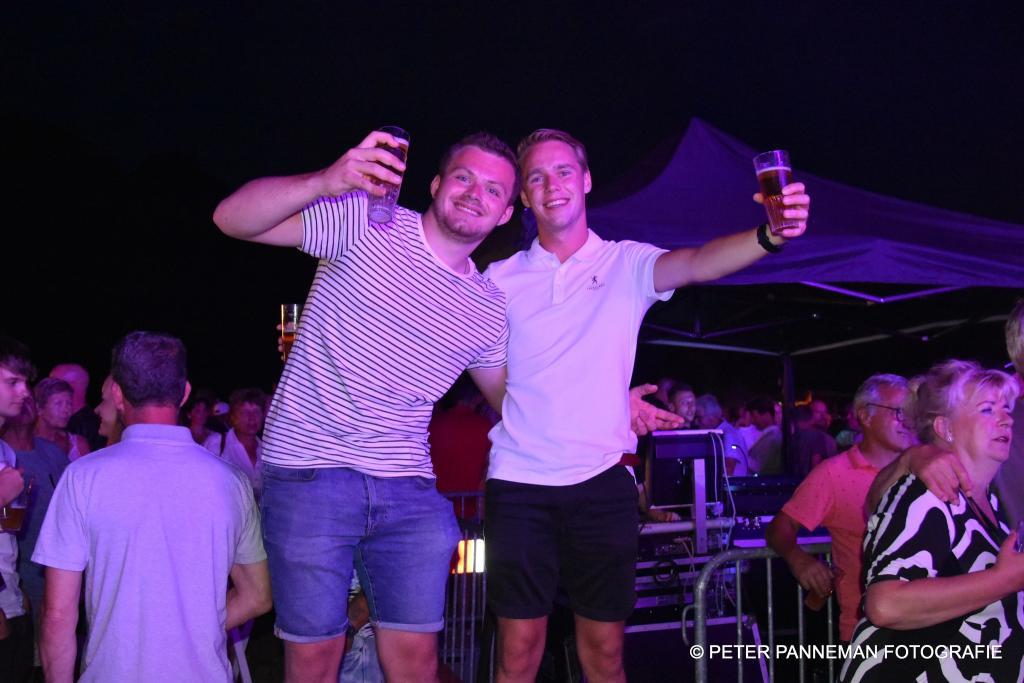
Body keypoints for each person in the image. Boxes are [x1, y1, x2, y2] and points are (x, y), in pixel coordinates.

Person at [482, 128, 808, 683]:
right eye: (536, 177)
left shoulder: (624, 263)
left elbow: (698, 262)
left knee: (605, 653)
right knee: (517, 654)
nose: (552, 185)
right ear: (525, 198)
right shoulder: (499, 279)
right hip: (520, 485)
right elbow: (495, 376)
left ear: (586, 181)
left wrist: (769, 236)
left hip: (601, 484)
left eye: (563, 171)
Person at [213, 129, 520, 683]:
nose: (476, 193)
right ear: (436, 184)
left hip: (408, 488)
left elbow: (515, 403)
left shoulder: (488, 306)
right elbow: (231, 219)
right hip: (311, 471)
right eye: (464, 177)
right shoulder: (366, 221)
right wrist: (324, 180)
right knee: (314, 657)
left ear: (505, 215)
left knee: (417, 663)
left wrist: (612, 408)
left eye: (494, 190)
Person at [32, 332, 271, 682]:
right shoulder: (230, 481)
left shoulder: (82, 478)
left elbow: (57, 614)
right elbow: (258, 596)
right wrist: (190, 629)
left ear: (117, 394)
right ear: (184, 393)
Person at [839, 360, 1024, 681]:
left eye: (1006, 409)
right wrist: (1004, 579)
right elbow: (886, 604)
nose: (1006, 418)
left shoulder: (988, 501)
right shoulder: (930, 493)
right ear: (945, 428)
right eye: (987, 410)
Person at [766, 374, 914, 642]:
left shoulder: (924, 466)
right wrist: (799, 560)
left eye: (912, 412)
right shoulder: (834, 474)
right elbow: (780, 527)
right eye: (899, 412)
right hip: (870, 634)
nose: (908, 421)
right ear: (865, 416)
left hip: (933, 624)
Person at [0, 337, 31, 679]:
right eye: (13, 382)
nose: (24, 392)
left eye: (25, 382)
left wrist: (14, 589)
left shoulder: (5, 451)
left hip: (9, 593)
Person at [203, 388, 266, 499]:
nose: (251, 418)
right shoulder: (217, 444)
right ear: (232, 417)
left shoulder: (268, 450)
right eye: (244, 412)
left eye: (256, 411)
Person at [49, 364, 105, 452]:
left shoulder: (87, 429)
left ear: (70, 387)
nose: (47, 390)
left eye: (53, 384)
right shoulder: (94, 424)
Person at [33, 378, 90, 461]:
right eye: (58, 404)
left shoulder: (78, 444)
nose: (66, 410)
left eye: (69, 403)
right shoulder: (25, 443)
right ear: (39, 408)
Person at [695, 393, 748, 476]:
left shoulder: (728, 435)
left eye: (699, 417)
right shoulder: (719, 433)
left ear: (711, 418)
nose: (696, 422)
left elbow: (728, 469)